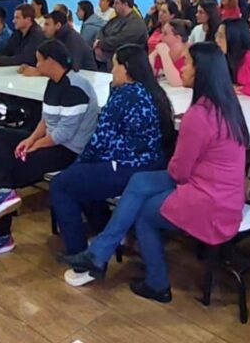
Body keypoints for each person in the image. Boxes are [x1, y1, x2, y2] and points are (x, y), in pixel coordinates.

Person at [60, 42, 248, 302]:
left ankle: (157, 284)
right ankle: (99, 253)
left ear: (201, 71)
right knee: (138, 181)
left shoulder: (199, 115)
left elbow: (179, 172)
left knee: (144, 211)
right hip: (225, 192)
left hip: (209, 199)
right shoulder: (226, 105)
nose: (182, 68)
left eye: (187, 63)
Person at [52, 44, 175, 283]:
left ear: (126, 69)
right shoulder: (154, 92)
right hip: (151, 166)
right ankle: (105, 231)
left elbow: (100, 140)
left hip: (128, 167)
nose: (111, 69)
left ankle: (82, 259)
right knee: (84, 178)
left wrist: (78, 165)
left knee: (62, 184)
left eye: (115, 64)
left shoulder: (126, 95)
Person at [0, 40, 100, 261]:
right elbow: (46, 119)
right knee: (0, 137)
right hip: (53, 142)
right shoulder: (53, 83)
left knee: (10, 170)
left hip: (69, 151)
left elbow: (63, 135)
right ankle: (3, 194)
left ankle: (2, 231)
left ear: (51, 61)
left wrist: (34, 146)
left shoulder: (76, 88)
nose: (36, 64)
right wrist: (30, 139)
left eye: (39, 60)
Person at [0, 3, 46, 68]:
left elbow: (26, 58)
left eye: (17, 18)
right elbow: (7, 50)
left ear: (28, 19)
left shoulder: (37, 35)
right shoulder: (18, 32)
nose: (13, 21)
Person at [94, 0, 148, 65]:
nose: (113, 6)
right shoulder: (116, 19)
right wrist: (98, 40)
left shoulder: (136, 24)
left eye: (117, 3)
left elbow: (119, 41)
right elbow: (102, 31)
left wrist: (100, 44)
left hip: (129, 65)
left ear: (125, 4)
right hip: (112, 62)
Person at [150, 19, 191, 87]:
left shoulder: (191, 55)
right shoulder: (163, 50)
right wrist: (153, 54)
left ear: (177, 38)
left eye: (165, 34)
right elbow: (146, 74)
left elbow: (177, 83)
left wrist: (164, 55)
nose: (160, 36)